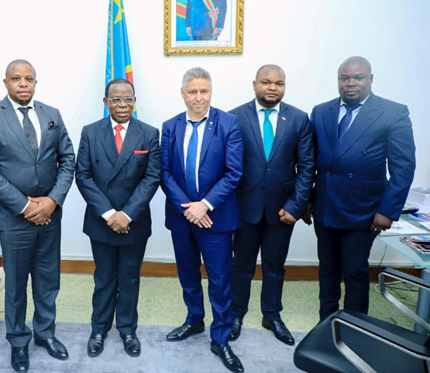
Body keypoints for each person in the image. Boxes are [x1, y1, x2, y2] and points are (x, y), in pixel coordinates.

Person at [0, 59, 75, 373]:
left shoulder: (51, 114)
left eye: (29, 79)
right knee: (16, 286)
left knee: (48, 281)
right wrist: (26, 206)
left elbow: (68, 159)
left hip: (50, 216)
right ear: (5, 82)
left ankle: (45, 334)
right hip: (14, 218)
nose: (23, 84)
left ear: (35, 82)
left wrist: (52, 201)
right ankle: (18, 341)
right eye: (16, 79)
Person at [303, 56, 416, 321]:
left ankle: (354, 330)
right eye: (344, 78)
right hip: (325, 206)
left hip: (364, 210)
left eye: (358, 77)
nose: (350, 83)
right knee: (327, 270)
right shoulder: (321, 111)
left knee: (354, 271)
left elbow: (403, 167)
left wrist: (388, 210)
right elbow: (310, 161)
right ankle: (326, 324)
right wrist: (307, 199)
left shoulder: (392, 112)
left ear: (370, 79)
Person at [161, 67, 244, 372]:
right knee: (188, 275)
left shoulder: (228, 124)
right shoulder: (170, 126)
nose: (199, 97)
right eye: (193, 91)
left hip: (216, 219)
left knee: (220, 280)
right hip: (182, 217)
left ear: (211, 92)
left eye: (204, 91)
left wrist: (205, 206)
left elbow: (234, 172)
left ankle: (220, 337)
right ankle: (194, 320)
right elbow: (165, 172)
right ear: (183, 94)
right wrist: (189, 208)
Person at [228, 65, 314, 345]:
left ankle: (272, 315)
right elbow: (227, 166)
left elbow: (307, 167)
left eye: (278, 83)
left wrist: (296, 206)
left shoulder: (299, 119)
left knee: (275, 267)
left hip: (282, 209)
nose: (272, 88)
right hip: (244, 208)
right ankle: (236, 314)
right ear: (254, 84)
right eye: (266, 82)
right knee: (241, 266)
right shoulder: (234, 117)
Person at [75, 78, 161, 358]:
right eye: (116, 99)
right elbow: (83, 176)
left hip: (134, 220)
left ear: (134, 101)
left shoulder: (149, 133)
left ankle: (127, 330)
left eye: (128, 99)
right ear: (105, 102)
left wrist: (127, 214)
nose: (122, 105)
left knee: (130, 278)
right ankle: (99, 330)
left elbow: (152, 178)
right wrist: (111, 214)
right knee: (104, 279)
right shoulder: (90, 132)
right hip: (101, 220)